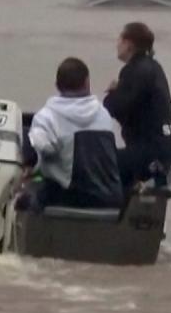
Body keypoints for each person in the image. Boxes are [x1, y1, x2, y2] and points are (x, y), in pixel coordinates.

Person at [21, 57, 123, 210]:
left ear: (57, 85)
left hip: (70, 198)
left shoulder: (46, 117)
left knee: (23, 197)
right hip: (110, 199)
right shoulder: (103, 114)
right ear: (87, 82)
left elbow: (41, 151)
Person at [103, 22, 171, 192]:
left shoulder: (133, 71)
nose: (117, 45)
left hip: (148, 151)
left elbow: (118, 107)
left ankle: (147, 182)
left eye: (120, 40)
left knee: (100, 164)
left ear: (129, 44)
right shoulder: (155, 68)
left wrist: (112, 94)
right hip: (167, 147)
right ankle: (153, 179)